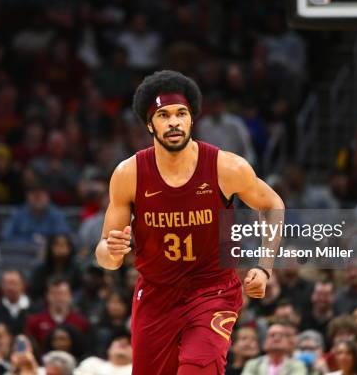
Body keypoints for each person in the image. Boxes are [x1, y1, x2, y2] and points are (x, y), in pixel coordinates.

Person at [95, 70, 284, 374]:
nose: (173, 122)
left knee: (198, 368)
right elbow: (106, 256)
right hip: (156, 295)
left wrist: (264, 267)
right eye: (163, 115)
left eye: (181, 113)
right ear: (149, 124)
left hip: (212, 291)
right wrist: (112, 250)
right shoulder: (129, 174)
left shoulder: (226, 166)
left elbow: (272, 204)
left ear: (191, 120)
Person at [241, 321, 307, 375]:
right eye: (272, 335)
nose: (276, 338)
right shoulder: (253, 364)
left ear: (287, 342)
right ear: (265, 342)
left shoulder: (297, 365)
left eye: (281, 335)